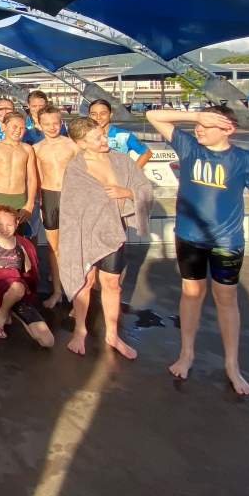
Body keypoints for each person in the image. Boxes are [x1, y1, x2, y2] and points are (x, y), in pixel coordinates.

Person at [146, 107, 249, 395]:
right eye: (198, 125)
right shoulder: (188, 146)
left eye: (207, 125)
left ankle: (232, 365)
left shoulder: (245, 159)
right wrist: (194, 116)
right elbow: (154, 116)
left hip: (226, 241)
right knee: (191, 293)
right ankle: (187, 353)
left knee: (226, 298)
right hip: (189, 237)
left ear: (228, 129)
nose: (199, 130)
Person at [59, 117, 154, 361]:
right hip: (85, 233)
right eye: (97, 138)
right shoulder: (76, 169)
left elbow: (144, 187)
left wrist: (127, 192)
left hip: (113, 231)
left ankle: (112, 333)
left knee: (111, 283)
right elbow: (71, 209)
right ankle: (80, 330)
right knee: (85, 281)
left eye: (103, 135)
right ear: (81, 143)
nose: (104, 140)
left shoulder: (121, 160)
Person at [0, 205, 53, 348]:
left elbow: (31, 274)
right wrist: (10, 274)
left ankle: (7, 310)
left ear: (16, 224)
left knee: (47, 341)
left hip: (18, 294)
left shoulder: (24, 245)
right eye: (0, 224)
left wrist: (27, 293)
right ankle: (1, 316)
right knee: (17, 287)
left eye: (9, 224)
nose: (4, 228)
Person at [32, 105, 77, 308]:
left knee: (75, 247)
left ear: (62, 122)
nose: (52, 128)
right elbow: (38, 178)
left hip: (71, 196)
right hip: (50, 197)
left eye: (55, 123)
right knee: (53, 248)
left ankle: (76, 295)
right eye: (47, 124)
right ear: (39, 125)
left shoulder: (73, 145)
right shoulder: (37, 149)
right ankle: (57, 291)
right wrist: (41, 204)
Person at [0, 115, 38, 233]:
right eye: (14, 127)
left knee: (18, 237)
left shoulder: (27, 149)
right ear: (4, 127)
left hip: (20, 199)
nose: (18, 131)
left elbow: (32, 178)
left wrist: (29, 204)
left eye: (22, 128)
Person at [89, 99, 153, 168]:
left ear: (111, 114)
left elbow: (147, 153)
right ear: (89, 116)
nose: (98, 117)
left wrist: (132, 173)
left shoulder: (125, 135)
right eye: (94, 114)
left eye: (103, 113)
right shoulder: (84, 136)